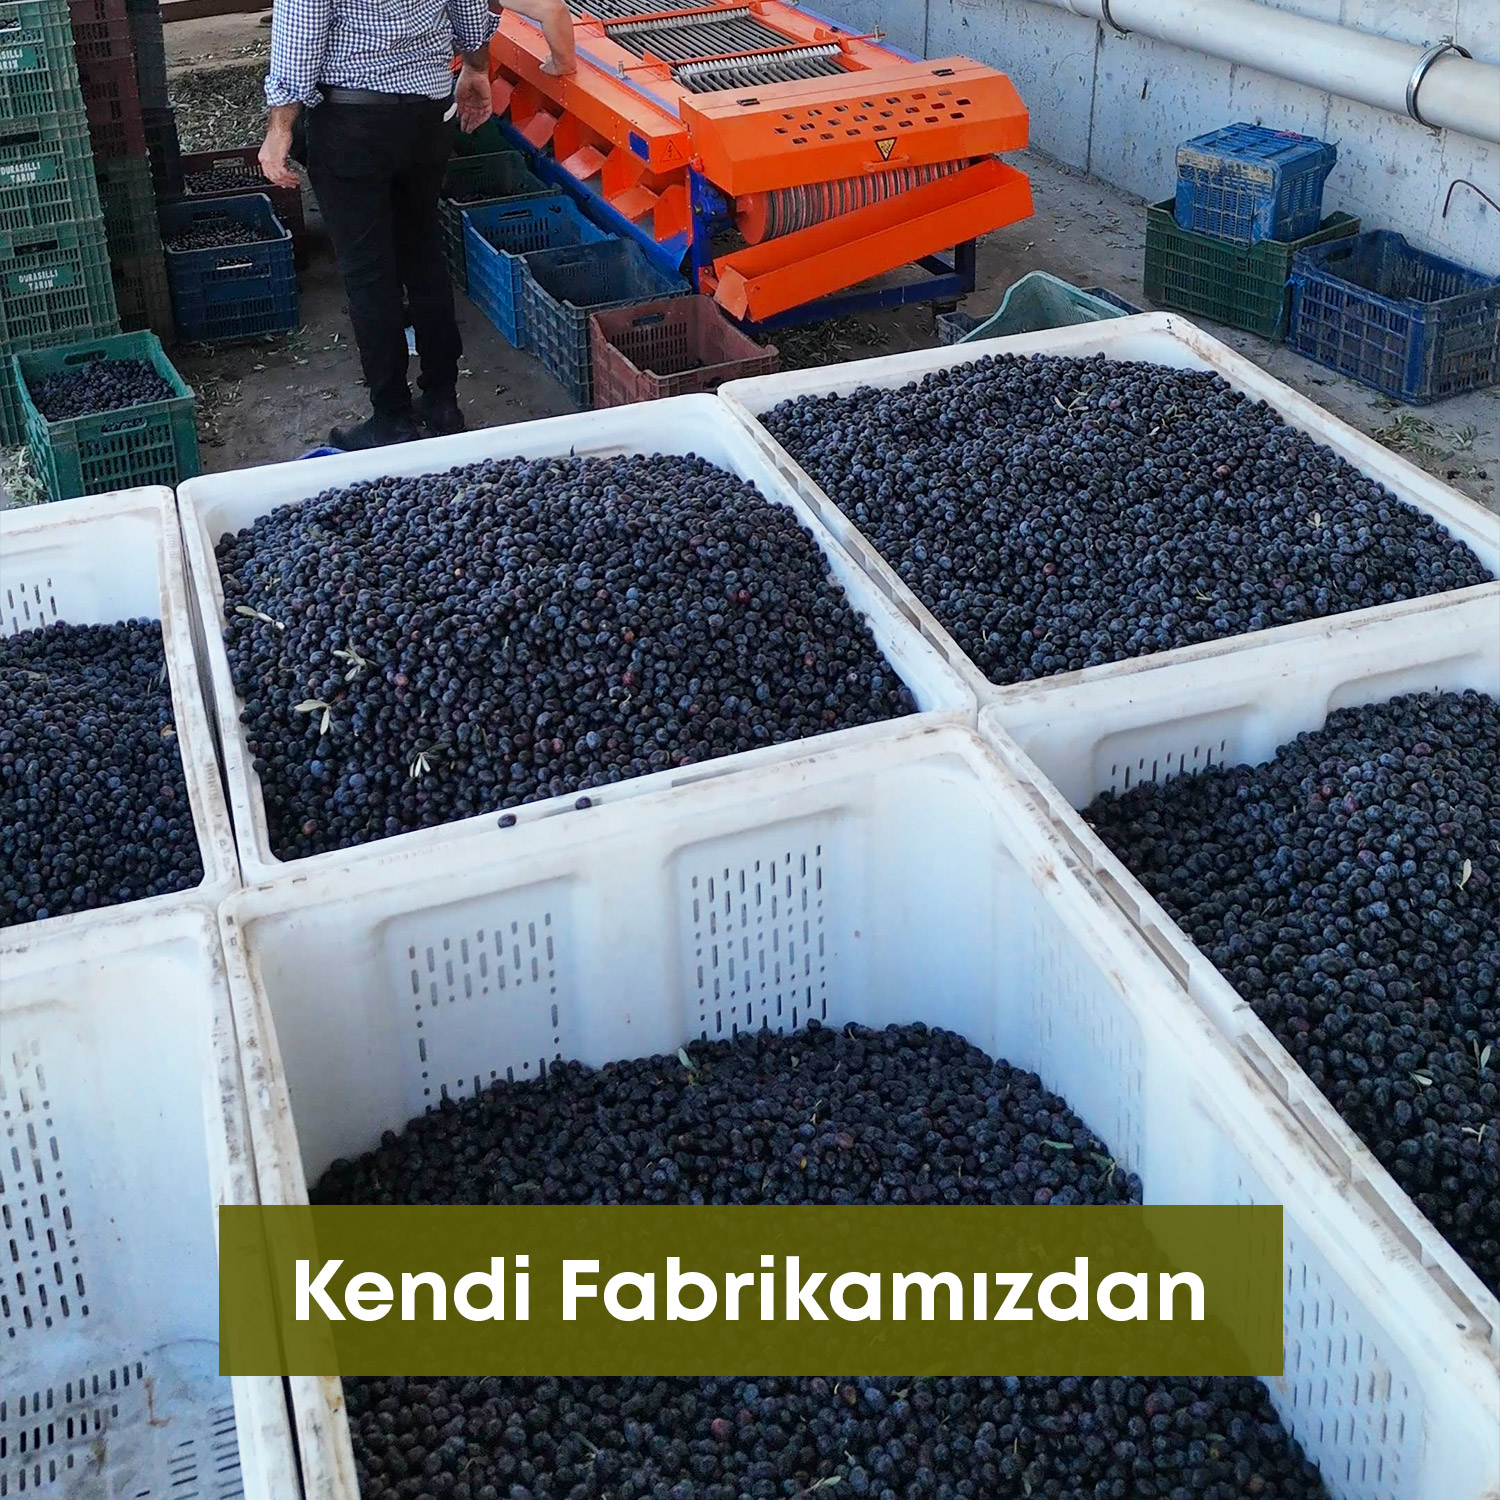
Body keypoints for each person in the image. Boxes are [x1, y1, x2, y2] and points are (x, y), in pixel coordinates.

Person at [259, 0, 577, 450]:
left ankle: (391, 417)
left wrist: (279, 129)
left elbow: (299, 43)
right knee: (423, 254)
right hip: (427, 117)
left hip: (352, 121)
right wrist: (475, 68)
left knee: (368, 272)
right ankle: (443, 401)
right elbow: (472, 16)